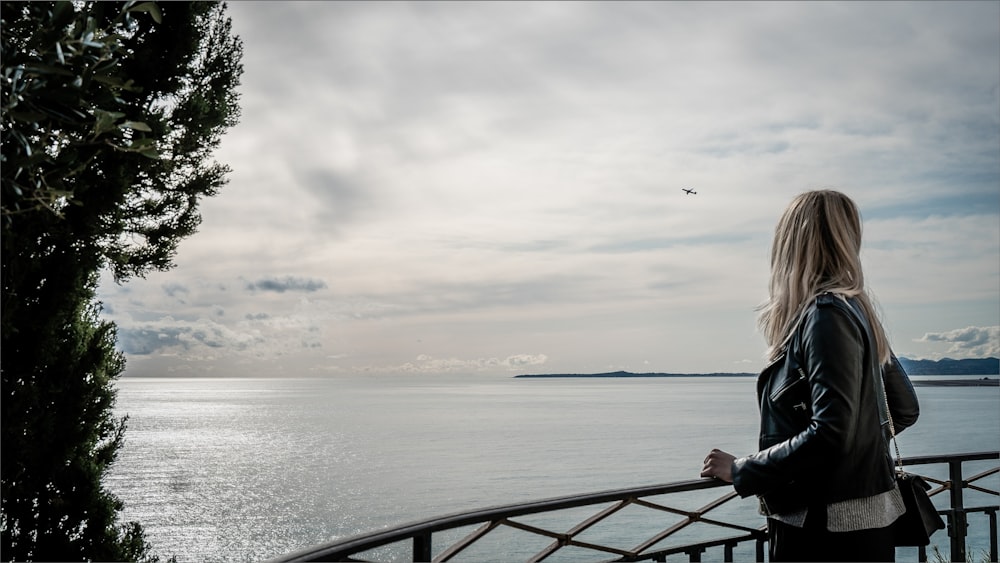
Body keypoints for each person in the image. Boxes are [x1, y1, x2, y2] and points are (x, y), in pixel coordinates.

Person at [700, 190, 920, 562]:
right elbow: (903, 410)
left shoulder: (825, 315)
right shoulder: (856, 311)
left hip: (823, 529)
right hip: (864, 521)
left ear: (790, 242)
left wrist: (742, 469)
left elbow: (832, 432)